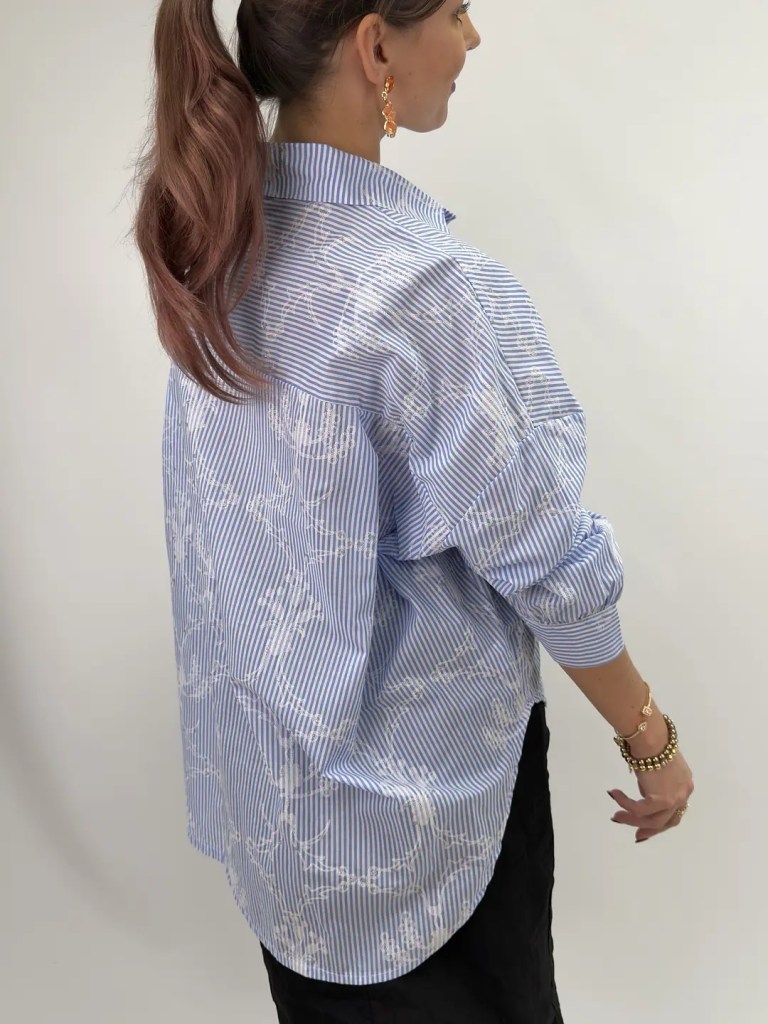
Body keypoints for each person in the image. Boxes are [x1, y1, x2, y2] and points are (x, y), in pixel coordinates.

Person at [131, 1, 695, 1021]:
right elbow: (545, 559)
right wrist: (648, 738)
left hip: (282, 823)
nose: (473, 38)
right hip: (425, 838)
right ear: (375, 44)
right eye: (457, 10)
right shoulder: (421, 289)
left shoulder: (219, 251)